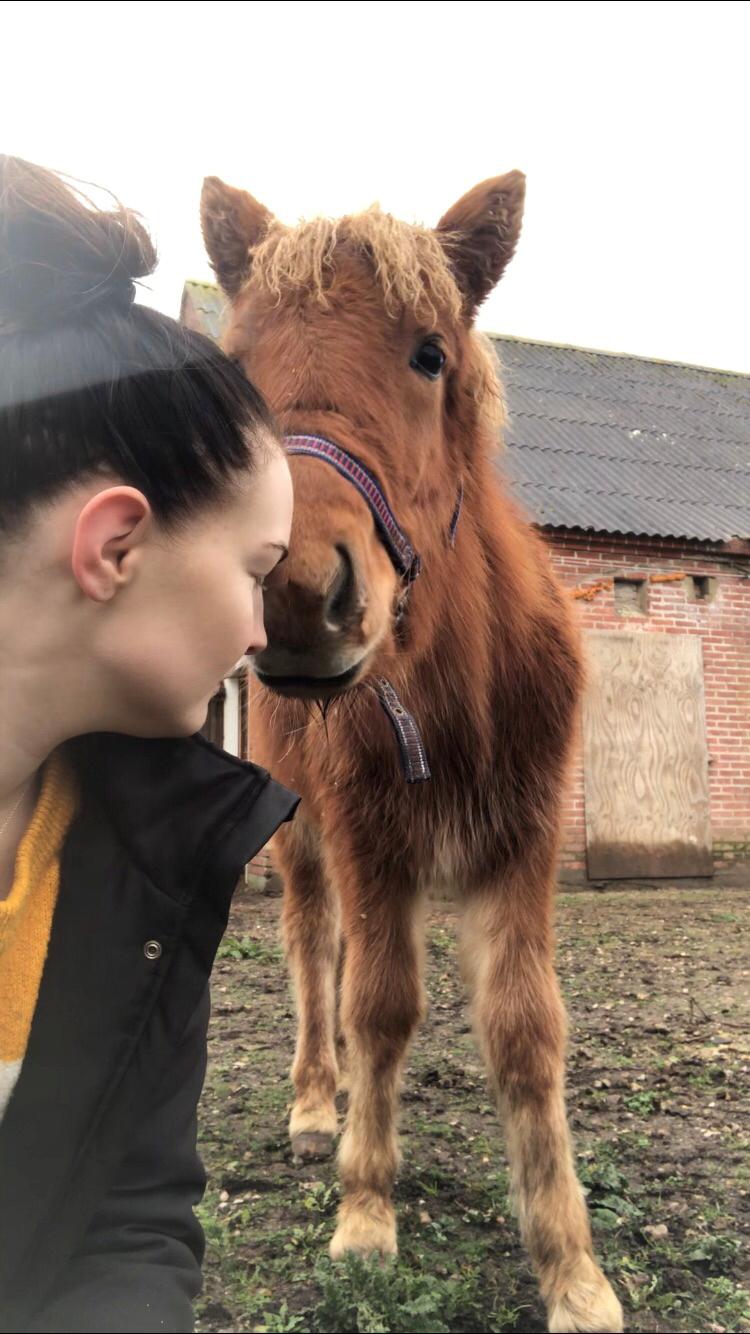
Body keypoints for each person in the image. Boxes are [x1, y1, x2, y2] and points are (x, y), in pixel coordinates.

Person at [0, 156, 298, 1333]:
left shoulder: (151, 864)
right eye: (254, 571)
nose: (263, 629)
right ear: (116, 546)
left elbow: (130, 1214)